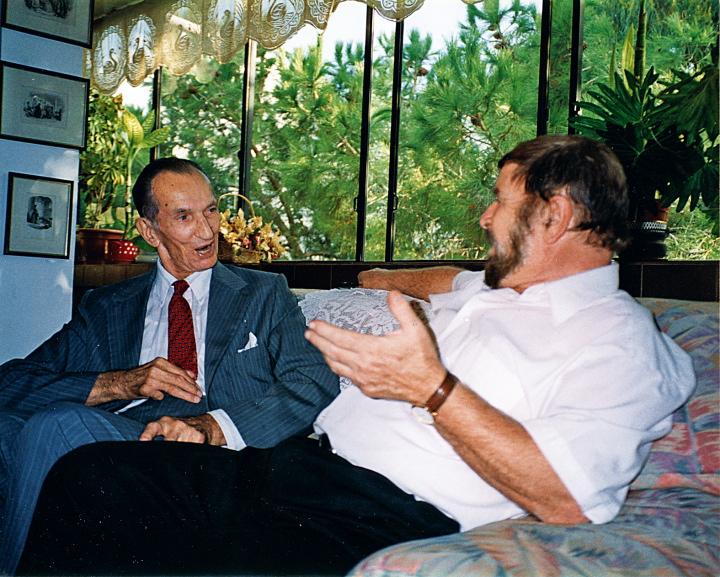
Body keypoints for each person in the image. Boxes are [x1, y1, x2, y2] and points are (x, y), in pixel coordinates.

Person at [17, 136, 695, 576]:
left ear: (556, 214)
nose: (486, 218)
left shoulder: (620, 341)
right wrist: (379, 279)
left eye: (500, 201)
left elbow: (568, 499)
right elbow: (436, 279)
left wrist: (432, 389)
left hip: (382, 511)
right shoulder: (495, 288)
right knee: (90, 474)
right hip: (297, 465)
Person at [0, 158, 338, 573]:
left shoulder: (263, 293)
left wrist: (211, 427)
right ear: (149, 231)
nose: (207, 231)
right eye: (184, 217)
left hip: (220, 455)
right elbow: (11, 384)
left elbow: (313, 381)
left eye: (211, 211)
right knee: (8, 426)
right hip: (131, 439)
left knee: (56, 424)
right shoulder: (107, 306)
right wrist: (120, 383)